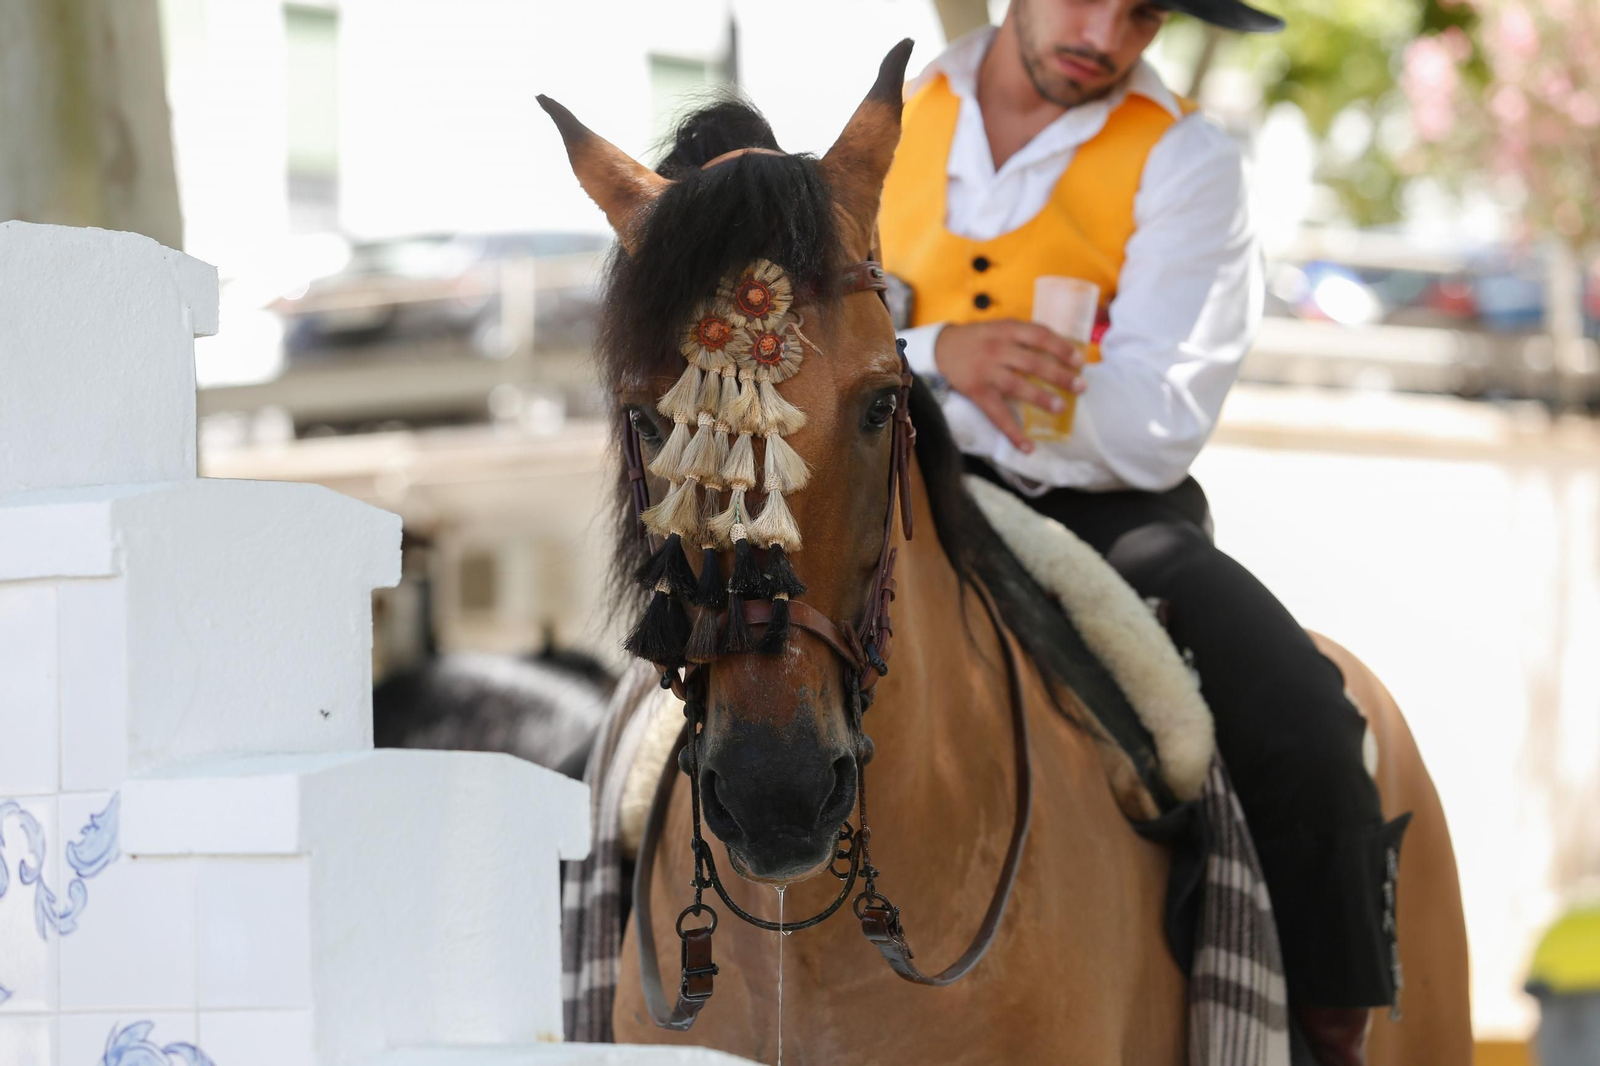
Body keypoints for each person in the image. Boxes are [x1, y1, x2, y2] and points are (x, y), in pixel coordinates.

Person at [878, 3, 1408, 1064]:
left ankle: (1323, 1032)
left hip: (1102, 513)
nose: (1107, 33)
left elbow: (1152, 421)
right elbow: (818, 318)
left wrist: (911, 368)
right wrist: (947, 350)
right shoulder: (892, 112)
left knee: (1301, 717)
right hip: (887, 490)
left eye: (1144, 11)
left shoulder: (1188, 163)